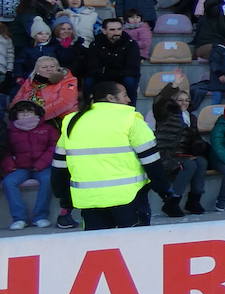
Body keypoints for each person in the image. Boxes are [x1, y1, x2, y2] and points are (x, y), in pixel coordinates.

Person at [53, 81, 169, 231]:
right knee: (134, 248)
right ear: (111, 98)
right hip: (129, 198)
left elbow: (60, 165)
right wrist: (165, 191)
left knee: (99, 249)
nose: (128, 99)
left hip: (89, 200)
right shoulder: (131, 120)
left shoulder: (72, 122)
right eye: (124, 95)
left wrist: (63, 197)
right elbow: (152, 162)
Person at [152, 84, 208, 217]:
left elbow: (196, 139)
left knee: (202, 162)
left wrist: (199, 147)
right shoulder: (166, 114)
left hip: (185, 154)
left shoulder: (191, 117)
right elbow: (159, 101)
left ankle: (193, 200)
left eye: (187, 100)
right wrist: (173, 86)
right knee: (188, 165)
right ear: (173, 101)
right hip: (167, 154)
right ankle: (172, 201)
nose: (185, 103)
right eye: (180, 100)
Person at [3, 100, 57, 229]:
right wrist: (10, 165)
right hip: (20, 167)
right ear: (15, 114)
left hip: (42, 167)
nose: (26, 114)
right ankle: (19, 218)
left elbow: (54, 147)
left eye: (29, 111)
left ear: (36, 113)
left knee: (48, 179)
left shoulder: (48, 128)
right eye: (22, 112)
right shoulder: (10, 131)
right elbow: (5, 150)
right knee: (8, 182)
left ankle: (40, 217)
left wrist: (41, 164)